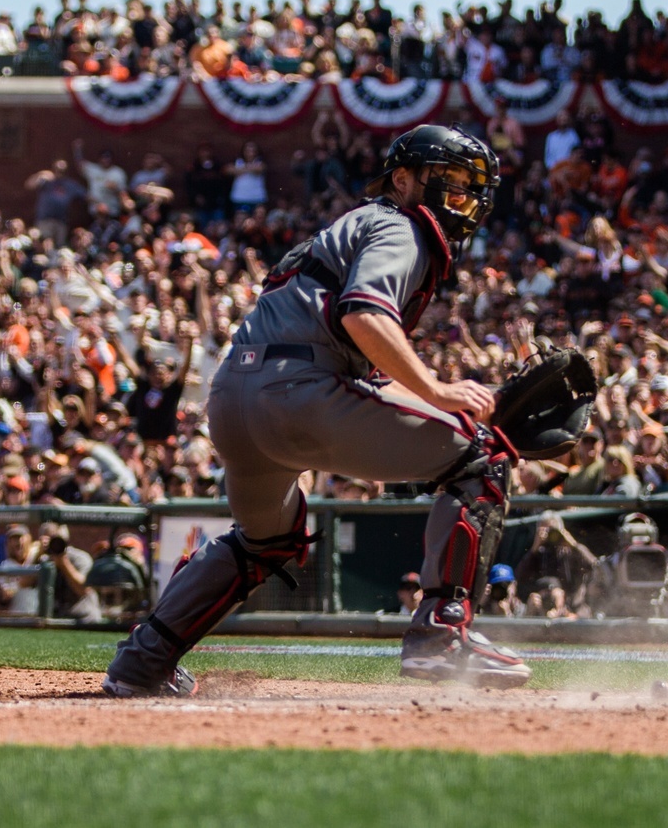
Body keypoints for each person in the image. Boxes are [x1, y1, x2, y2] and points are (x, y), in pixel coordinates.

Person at [103, 124, 523, 697]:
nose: (460, 198)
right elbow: (363, 316)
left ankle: (143, 660)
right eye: (446, 182)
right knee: (484, 455)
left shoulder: (349, 227)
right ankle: (441, 637)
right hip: (299, 390)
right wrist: (436, 391)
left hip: (233, 397)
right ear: (402, 180)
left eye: (467, 188)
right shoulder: (401, 227)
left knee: (266, 538)